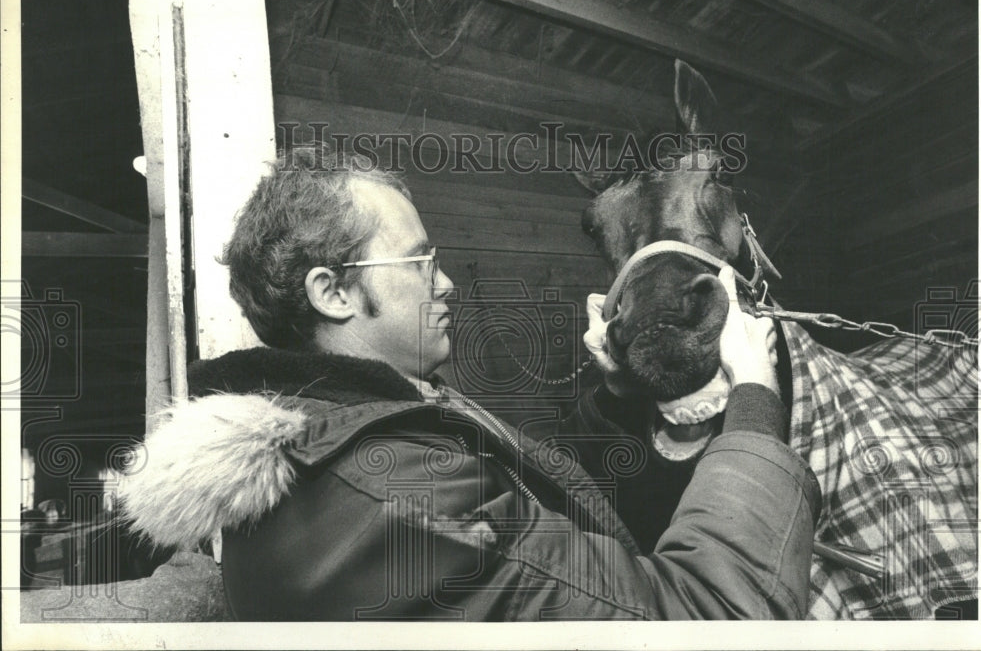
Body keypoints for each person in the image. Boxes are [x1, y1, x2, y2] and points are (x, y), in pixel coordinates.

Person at [120, 149, 820, 621]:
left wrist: (614, 400)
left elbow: (554, 523)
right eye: (420, 260)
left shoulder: (372, 427)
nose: (446, 282)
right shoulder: (392, 499)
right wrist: (754, 398)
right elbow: (712, 614)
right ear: (332, 292)